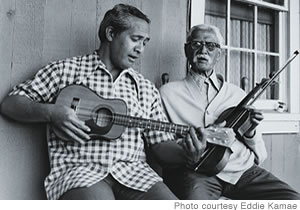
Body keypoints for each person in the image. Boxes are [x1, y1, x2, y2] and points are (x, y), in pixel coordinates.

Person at [0, 4, 191, 200]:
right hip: (81, 173)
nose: (141, 49)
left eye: (145, 43)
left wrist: (188, 153)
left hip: (136, 175)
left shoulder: (145, 88)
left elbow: (160, 146)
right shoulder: (65, 71)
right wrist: (52, 112)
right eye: (135, 39)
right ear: (110, 33)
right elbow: (11, 103)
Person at [159, 24, 300, 200]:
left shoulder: (238, 95)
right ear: (187, 49)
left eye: (211, 46)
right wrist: (187, 150)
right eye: (196, 44)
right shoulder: (167, 93)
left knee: (293, 200)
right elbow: (160, 147)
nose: (204, 50)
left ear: (220, 54)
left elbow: (260, 156)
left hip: (243, 171)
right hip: (196, 172)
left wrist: (250, 132)